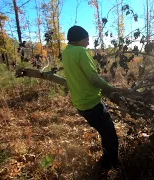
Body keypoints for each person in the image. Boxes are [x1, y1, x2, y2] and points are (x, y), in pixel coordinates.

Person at [62, 25, 119, 175]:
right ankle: (110, 165)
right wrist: (110, 89)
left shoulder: (66, 52)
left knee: (104, 132)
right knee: (110, 135)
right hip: (92, 103)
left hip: (80, 104)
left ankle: (106, 160)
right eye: (87, 39)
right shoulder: (81, 51)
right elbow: (93, 78)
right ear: (79, 39)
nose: (88, 42)